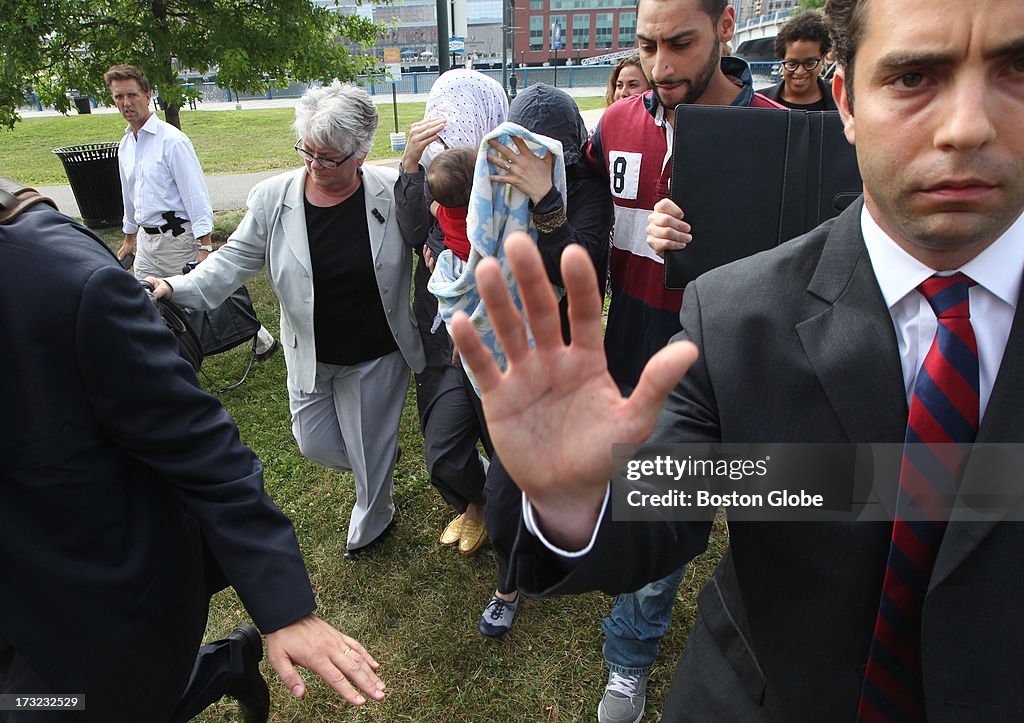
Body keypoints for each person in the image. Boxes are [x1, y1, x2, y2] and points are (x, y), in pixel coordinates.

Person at [451, 0, 1024, 719]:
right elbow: (682, 499)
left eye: (1016, 68)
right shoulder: (736, 316)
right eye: (914, 76)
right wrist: (584, 505)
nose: (966, 126)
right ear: (848, 101)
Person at [0, 180, 386, 721]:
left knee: (49, 709)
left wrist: (285, 609)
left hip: (86, 583)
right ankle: (225, 666)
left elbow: (201, 447)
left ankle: (214, 668)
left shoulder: (64, 281)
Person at [585, 1, 781, 718]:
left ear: (726, 25)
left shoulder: (776, 131)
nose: (661, 67)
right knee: (659, 518)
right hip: (641, 358)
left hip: (747, 364)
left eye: (680, 44)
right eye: (646, 45)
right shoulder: (611, 128)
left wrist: (710, 243)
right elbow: (578, 226)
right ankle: (630, 657)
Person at [148, 83, 425, 559]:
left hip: (376, 350)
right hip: (310, 350)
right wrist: (176, 286)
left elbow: (435, 234)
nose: (315, 164)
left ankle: (373, 520)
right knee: (312, 442)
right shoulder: (274, 198)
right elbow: (233, 259)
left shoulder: (390, 192)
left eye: (329, 157)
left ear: (361, 154)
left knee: (367, 446)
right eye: (308, 151)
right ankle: (376, 460)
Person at [474, 83, 613, 638]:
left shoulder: (585, 190)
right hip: (507, 354)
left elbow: (578, 274)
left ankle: (510, 584)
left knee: (510, 489)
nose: (527, 158)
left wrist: (546, 200)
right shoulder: (497, 178)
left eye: (541, 148)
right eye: (519, 144)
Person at [395, 69, 508, 557]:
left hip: (492, 338)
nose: (450, 133)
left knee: (502, 443)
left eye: (462, 117)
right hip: (441, 328)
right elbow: (413, 232)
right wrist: (410, 166)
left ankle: (511, 521)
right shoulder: (432, 167)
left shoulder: (508, 176)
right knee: (442, 449)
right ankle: (476, 504)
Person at [104, 65, 279, 362]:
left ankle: (261, 338)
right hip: (148, 243)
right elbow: (129, 195)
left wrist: (205, 245)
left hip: (177, 238)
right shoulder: (126, 145)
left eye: (132, 95)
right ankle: (163, 356)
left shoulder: (172, 141)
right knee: (145, 299)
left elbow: (196, 195)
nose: (125, 103)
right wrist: (130, 236)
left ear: (148, 96)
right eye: (119, 96)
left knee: (201, 294)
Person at [757, 11, 838, 111]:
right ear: (782, 60)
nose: (800, 72)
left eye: (809, 63)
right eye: (792, 64)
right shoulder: (757, 104)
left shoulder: (842, 103)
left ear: (823, 58)